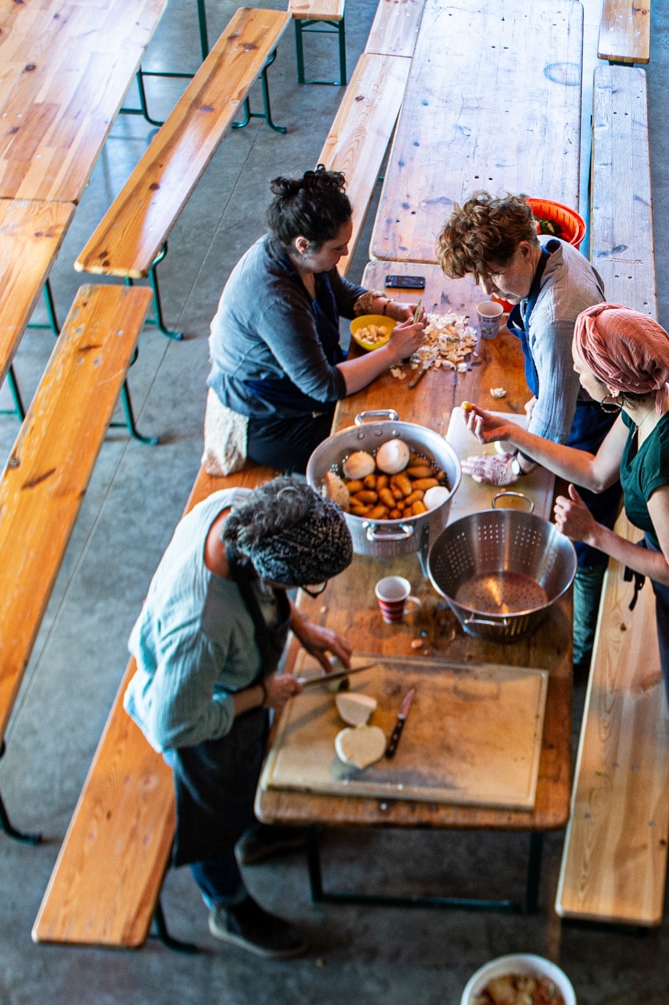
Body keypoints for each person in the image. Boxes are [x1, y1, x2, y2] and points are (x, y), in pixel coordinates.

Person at [463, 304, 669, 808]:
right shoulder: (659, 395)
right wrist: (512, 434)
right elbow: (595, 472)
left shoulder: (668, 462)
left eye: (580, 367)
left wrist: (592, 534)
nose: (574, 372)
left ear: (610, 385)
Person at [124, 477, 356, 958]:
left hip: (231, 681)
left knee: (248, 772)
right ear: (274, 574)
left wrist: (301, 626)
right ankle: (227, 905)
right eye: (305, 586)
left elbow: (268, 589)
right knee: (211, 817)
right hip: (198, 712)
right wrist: (259, 695)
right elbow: (174, 726)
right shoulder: (201, 626)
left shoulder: (243, 509)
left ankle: (255, 834)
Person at [435, 193, 612, 665]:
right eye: (480, 278)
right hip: (570, 400)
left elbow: (553, 427)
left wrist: (514, 464)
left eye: (495, 274)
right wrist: (541, 399)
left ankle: (581, 648)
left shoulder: (557, 315)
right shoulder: (556, 248)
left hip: (589, 423)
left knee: (585, 538)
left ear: (523, 249)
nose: (490, 288)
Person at [205, 167, 425, 474]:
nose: (345, 252)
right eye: (337, 248)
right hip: (270, 416)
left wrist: (389, 308)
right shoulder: (277, 300)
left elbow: (339, 291)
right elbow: (325, 386)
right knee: (376, 451)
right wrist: (391, 351)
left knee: (394, 405)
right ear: (303, 244)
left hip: (308, 378)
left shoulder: (301, 255)